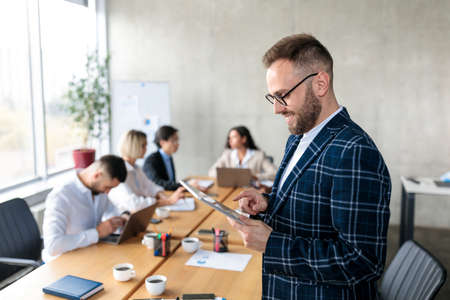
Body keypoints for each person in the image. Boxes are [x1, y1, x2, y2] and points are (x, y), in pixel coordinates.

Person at [227, 34, 391, 300]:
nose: (276, 110)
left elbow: (363, 262)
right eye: (273, 98)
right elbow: (317, 209)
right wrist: (269, 203)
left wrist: (272, 244)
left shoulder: (354, 151)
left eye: (283, 95)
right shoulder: (299, 137)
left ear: (320, 83)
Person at [42, 155, 129, 262]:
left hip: (91, 254)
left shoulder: (97, 188)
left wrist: (123, 217)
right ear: (97, 175)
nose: (107, 192)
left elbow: (112, 210)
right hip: (63, 262)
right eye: (107, 187)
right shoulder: (61, 196)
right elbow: (53, 245)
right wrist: (97, 233)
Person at [109, 129, 185, 212]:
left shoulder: (136, 168)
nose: (146, 149)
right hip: (124, 216)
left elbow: (150, 186)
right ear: (134, 146)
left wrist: (160, 194)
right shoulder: (119, 171)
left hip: (140, 213)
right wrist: (167, 201)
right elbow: (135, 204)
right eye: (143, 146)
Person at [143, 125, 208, 192]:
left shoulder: (169, 157)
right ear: (162, 143)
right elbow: (158, 184)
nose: (177, 144)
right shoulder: (151, 161)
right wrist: (187, 185)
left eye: (177, 140)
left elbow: (171, 182)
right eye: (173, 140)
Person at [208, 125, 277, 181]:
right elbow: (211, 172)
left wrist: (255, 177)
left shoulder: (258, 155)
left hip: (250, 191)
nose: (230, 140)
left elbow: (274, 173)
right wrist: (228, 176)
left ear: (244, 139)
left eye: (234, 137)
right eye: (229, 138)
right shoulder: (227, 154)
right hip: (229, 190)